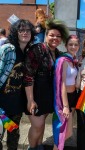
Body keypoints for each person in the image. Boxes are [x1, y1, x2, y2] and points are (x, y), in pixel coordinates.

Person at [24, 18, 69, 150]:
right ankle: (32, 148)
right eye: (52, 35)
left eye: (58, 36)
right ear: (46, 35)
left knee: (42, 124)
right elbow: (28, 76)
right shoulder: (36, 49)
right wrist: (30, 100)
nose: (55, 38)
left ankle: (39, 146)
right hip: (34, 95)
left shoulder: (58, 54)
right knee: (37, 125)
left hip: (48, 96)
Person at [0, 19, 35, 150]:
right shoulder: (8, 49)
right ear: (16, 32)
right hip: (1, 106)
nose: (25, 33)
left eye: (28, 30)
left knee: (13, 137)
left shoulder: (28, 53)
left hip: (16, 106)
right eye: (21, 30)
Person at [52, 35, 80, 150]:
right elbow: (61, 83)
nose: (73, 47)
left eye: (76, 44)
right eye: (70, 44)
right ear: (66, 46)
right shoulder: (63, 60)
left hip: (73, 96)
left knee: (67, 132)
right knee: (61, 132)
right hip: (64, 99)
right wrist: (65, 106)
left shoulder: (73, 61)